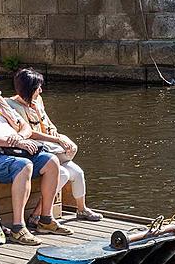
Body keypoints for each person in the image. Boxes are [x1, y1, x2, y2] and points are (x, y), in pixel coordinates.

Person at [0, 64, 72, 246]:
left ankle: (45, 219)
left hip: (12, 150)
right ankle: (18, 228)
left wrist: (20, 138)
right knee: (23, 165)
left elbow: (23, 125)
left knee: (51, 161)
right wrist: (17, 142)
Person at [7, 69, 103, 223]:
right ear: (29, 89)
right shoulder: (10, 105)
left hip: (49, 146)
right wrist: (56, 141)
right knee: (63, 173)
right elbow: (29, 132)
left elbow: (48, 124)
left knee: (77, 172)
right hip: (34, 150)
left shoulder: (38, 101)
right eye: (38, 88)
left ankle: (81, 209)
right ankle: (38, 215)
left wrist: (60, 137)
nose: (41, 90)